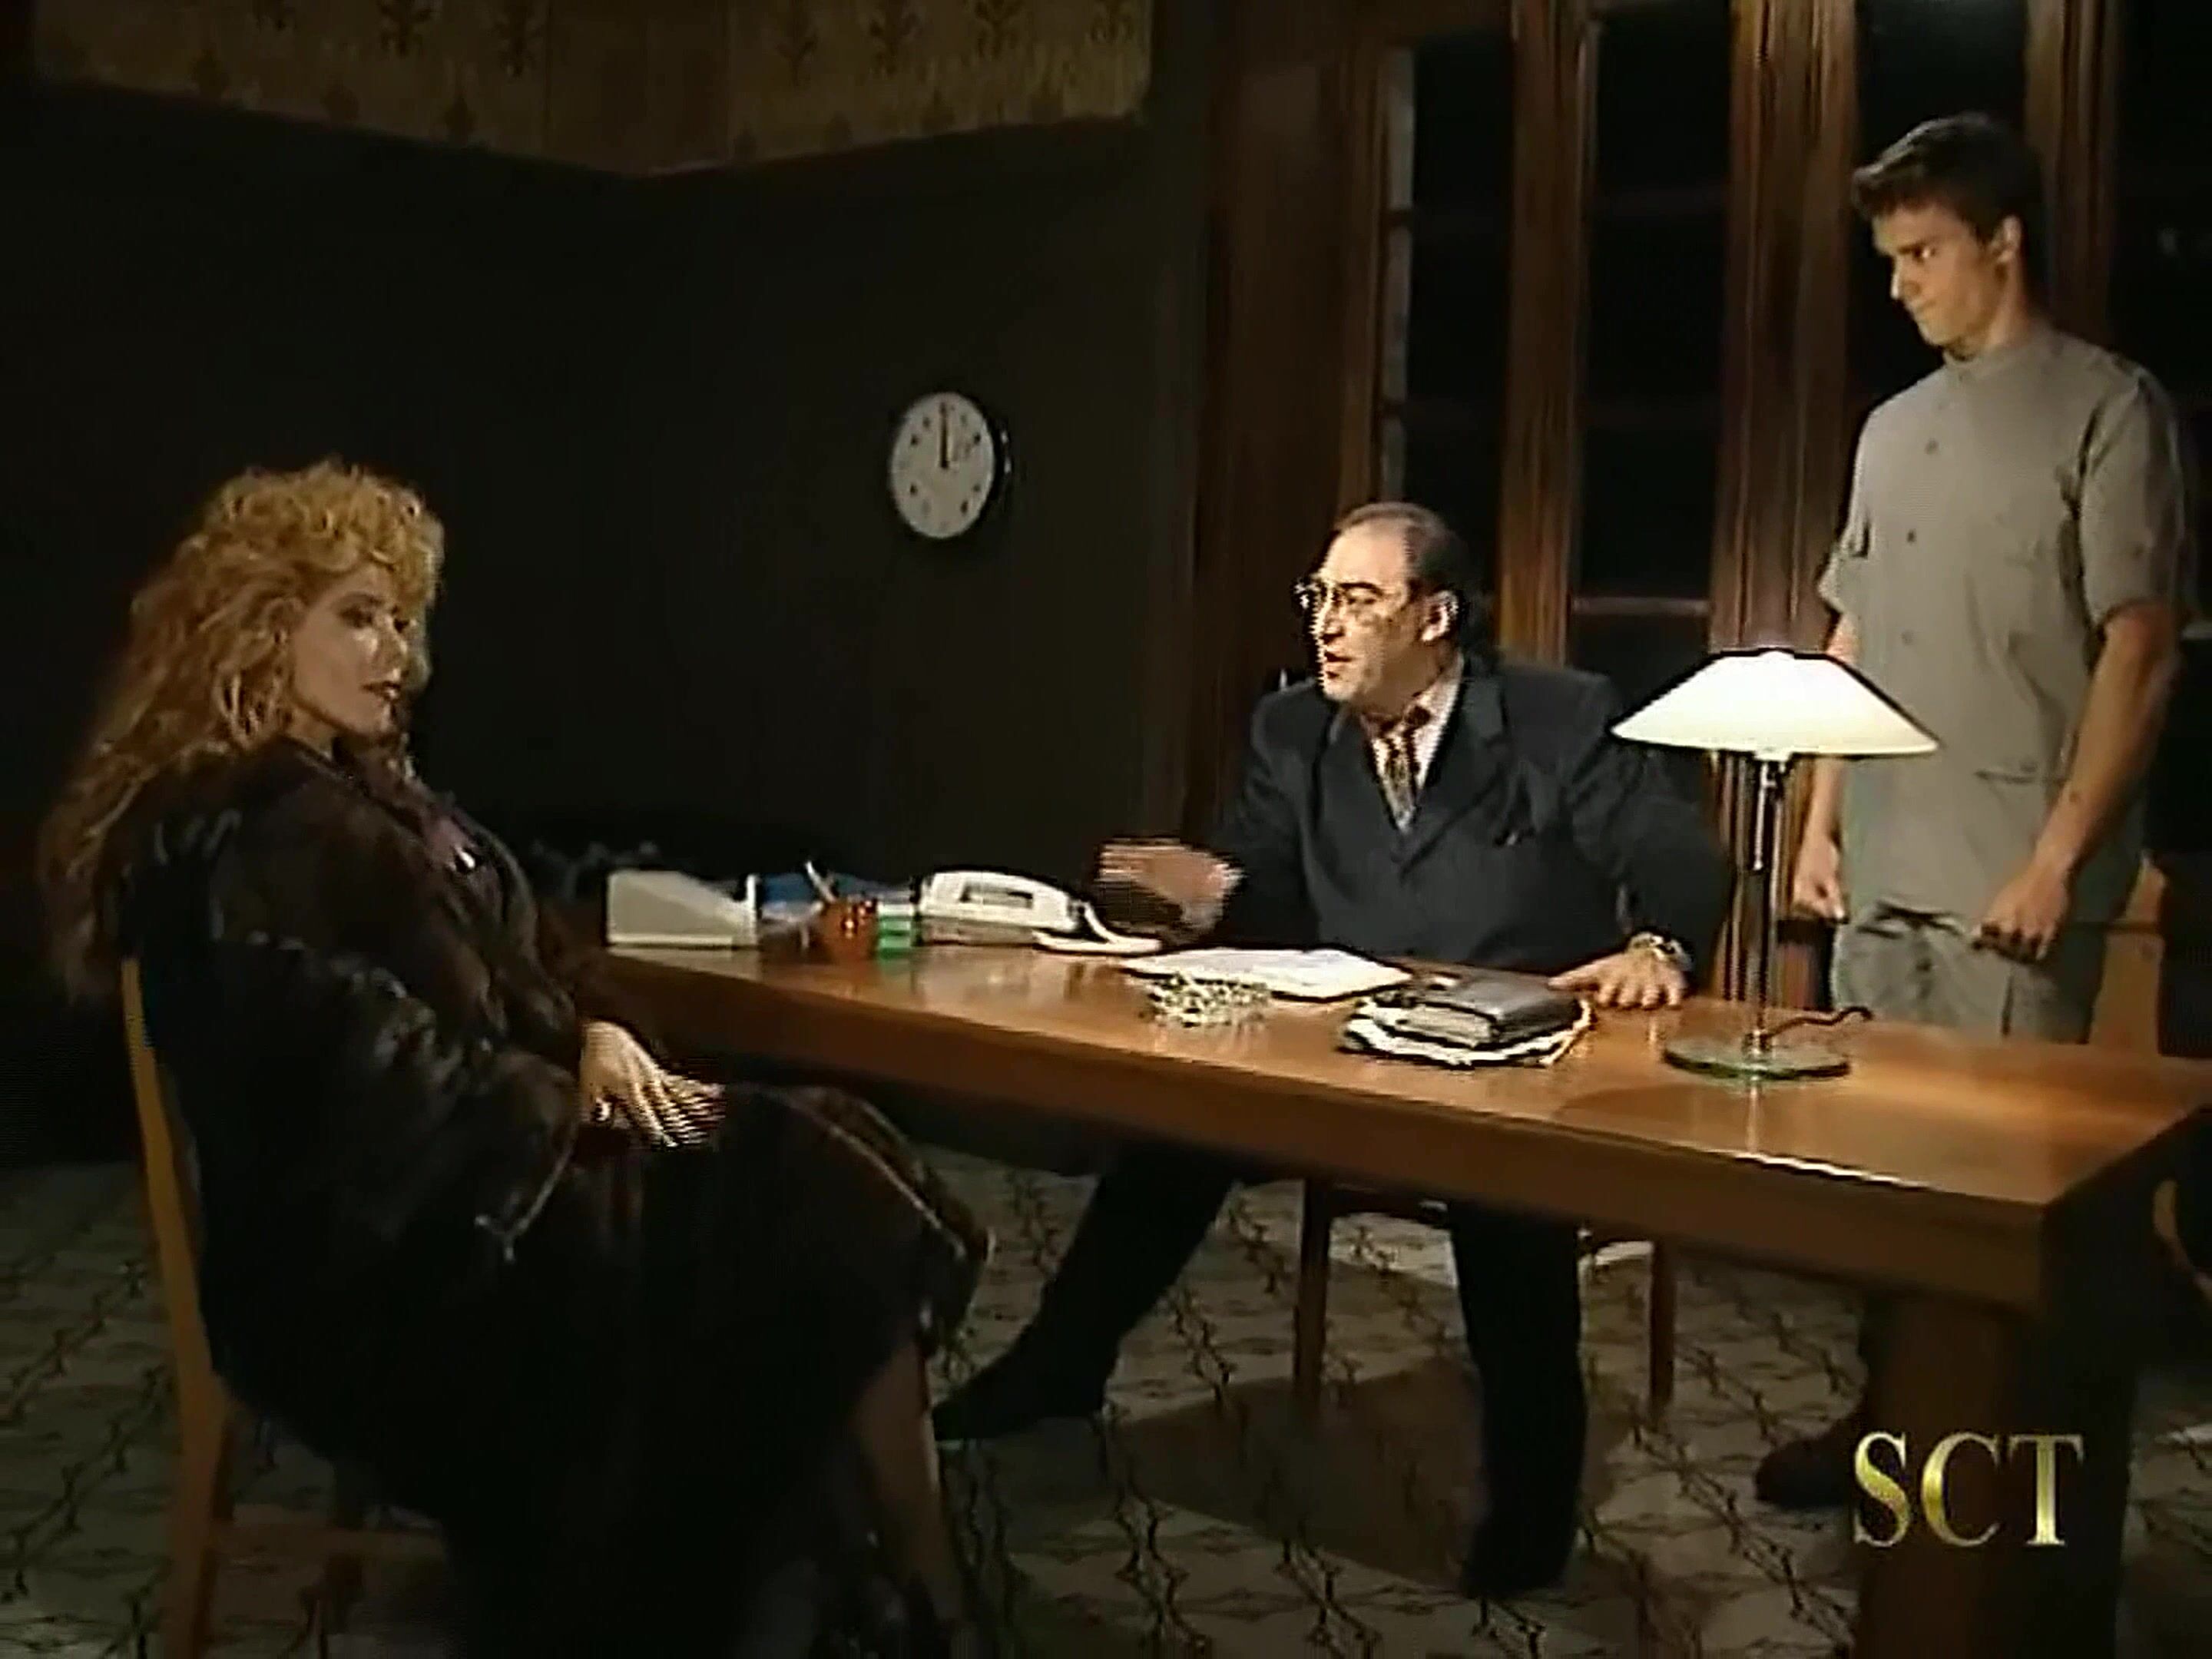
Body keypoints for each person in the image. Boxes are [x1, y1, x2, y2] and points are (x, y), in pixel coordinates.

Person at [38, 461, 990, 1656]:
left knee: (810, 1167)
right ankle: (907, 1599)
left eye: (403, 620)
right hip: (388, 1257)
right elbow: (365, 1090)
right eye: (359, 617)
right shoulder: (248, 838)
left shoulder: (369, 797)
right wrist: (565, 1111)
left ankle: (871, 1586)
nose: (398, 655)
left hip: (498, 1182)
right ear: (262, 628)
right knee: (798, 1192)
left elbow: (536, 956)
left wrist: (597, 1035)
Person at [930, 500, 1733, 1599]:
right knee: (1175, 1133)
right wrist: (1209, 894)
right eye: (1319, 598)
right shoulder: (1292, 729)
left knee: (1505, 1208)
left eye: (1358, 599)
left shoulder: (1555, 717)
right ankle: (1058, 1368)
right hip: (1345, 1036)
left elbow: (1678, 854)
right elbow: (1267, 888)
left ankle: (1533, 1504)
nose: (1326, 624)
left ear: (1435, 617)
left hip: (1507, 1051)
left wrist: (1657, 945)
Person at [1758, 113, 2193, 1509]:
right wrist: (1821, 823)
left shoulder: (2107, 409)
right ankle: (1893, 1433)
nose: (1901, 286)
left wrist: (2059, 860)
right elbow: (1855, 633)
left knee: (2008, 1201)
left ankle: (2018, 1479)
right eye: (1889, 260)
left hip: (2012, 876)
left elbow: (2139, 646)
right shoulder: (1894, 432)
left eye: (1924, 255)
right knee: (1881, 1177)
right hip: (1887, 866)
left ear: (2004, 245)